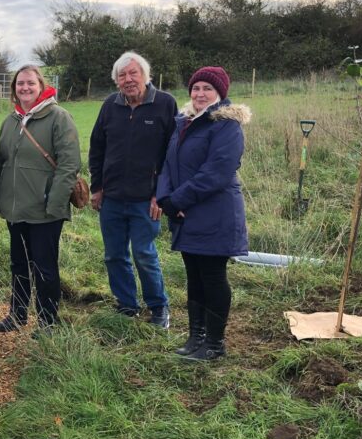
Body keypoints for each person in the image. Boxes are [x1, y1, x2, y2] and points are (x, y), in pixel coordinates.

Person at [157, 66, 250, 361]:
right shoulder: (185, 122)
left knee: (212, 276)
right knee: (193, 276)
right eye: (196, 88)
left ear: (220, 94)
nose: (200, 94)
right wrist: (166, 199)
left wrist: (179, 200)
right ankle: (195, 337)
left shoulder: (227, 126)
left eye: (207, 89)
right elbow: (169, 164)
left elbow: (217, 172)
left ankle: (214, 343)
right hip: (185, 213)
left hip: (214, 213)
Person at [89, 52, 177, 327]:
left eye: (132, 73)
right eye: (122, 75)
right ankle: (127, 304)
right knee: (114, 255)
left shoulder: (165, 104)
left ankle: (159, 307)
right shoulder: (109, 106)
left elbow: (171, 154)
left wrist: (160, 194)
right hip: (112, 198)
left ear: (145, 76)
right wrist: (97, 187)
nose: (128, 80)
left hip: (145, 199)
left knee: (143, 253)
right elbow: (97, 147)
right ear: (116, 81)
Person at [0, 65, 81, 333]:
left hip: (45, 210)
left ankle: (47, 322)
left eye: (30, 83)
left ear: (41, 86)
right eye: (20, 84)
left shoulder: (58, 117)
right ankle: (17, 315)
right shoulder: (11, 122)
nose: (25, 88)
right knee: (18, 265)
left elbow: (69, 164)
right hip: (16, 209)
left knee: (44, 268)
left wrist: (54, 204)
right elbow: (1, 161)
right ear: (14, 89)